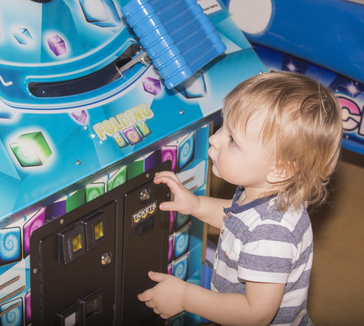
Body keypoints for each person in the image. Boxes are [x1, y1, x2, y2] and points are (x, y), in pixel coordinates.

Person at [137, 71, 343, 325]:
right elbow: (238, 221)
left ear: (280, 170)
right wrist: (196, 204)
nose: (214, 138)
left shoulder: (271, 234)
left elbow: (255, 313)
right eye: (224, 126)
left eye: (233, 140)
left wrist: (185, 296)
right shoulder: (264, 194)